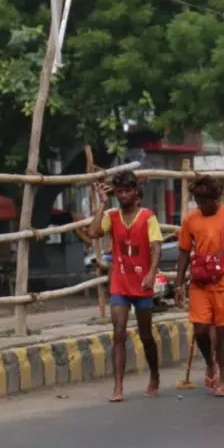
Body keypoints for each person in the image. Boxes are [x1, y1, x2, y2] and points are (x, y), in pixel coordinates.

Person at [84, 171, 162, 402]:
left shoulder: (148, 217)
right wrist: (102, 204)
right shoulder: (111, 216)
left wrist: (151, 273)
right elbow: (93, 232)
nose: (124, 195)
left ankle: (155, 374)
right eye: (120, 192)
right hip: (120, 282)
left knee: (146, 334)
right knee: (118, 333)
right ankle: (118, 386)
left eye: (128, 191)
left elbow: (156, 247)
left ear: (135, 191)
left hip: (142, 283)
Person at [175, 175, 224, 397]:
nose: (202, 204)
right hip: (199, 282)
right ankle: (211, 363)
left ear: (216, 198)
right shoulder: (190, 220)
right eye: (198, 200)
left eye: (206, 199)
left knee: (223, 329)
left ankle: (223, 380)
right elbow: (182, 252)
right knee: (200, 329)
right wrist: (178, 284)